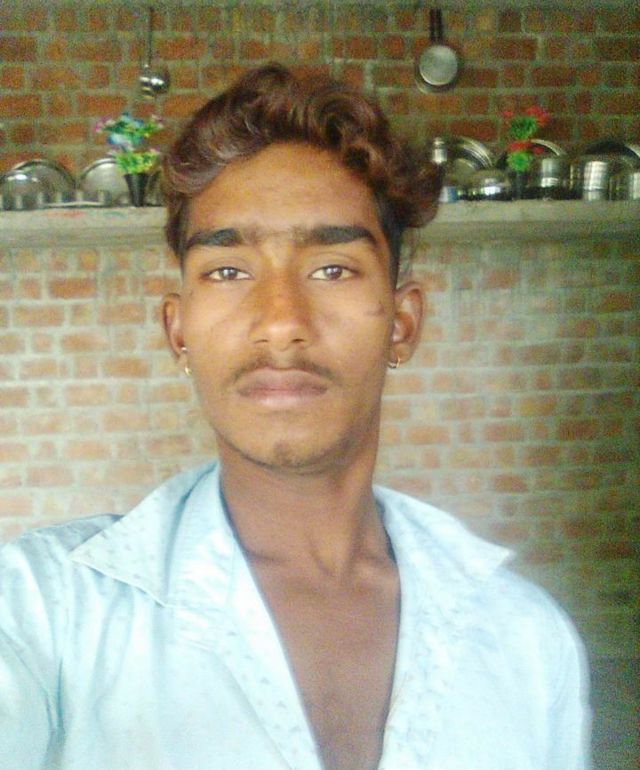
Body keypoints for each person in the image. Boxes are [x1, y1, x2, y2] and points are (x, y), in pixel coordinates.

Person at [0, 64, 590, 770]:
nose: (281, 323)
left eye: (332, 268)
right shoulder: (44, 611)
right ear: (177, 331)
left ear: (402, 324)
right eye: (228, 271)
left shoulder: (527, 641)